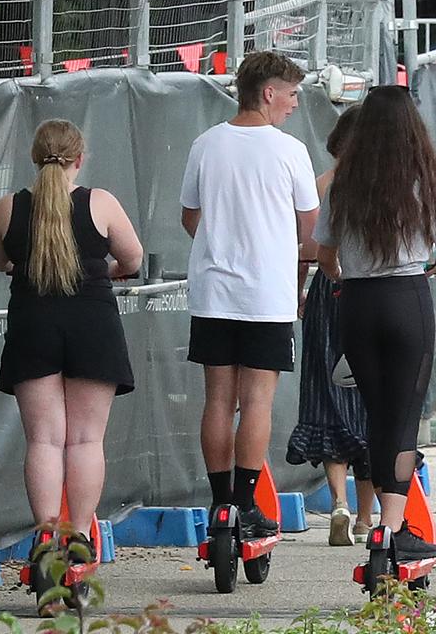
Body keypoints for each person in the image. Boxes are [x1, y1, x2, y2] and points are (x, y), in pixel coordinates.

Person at [315, 85, 436, 562]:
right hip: (406, 297)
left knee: (376, 412)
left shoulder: (345, 184)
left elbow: (325, 254)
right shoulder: (426, 181)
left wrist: (345, 275)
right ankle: (391, 527)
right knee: (404, 416)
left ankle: (382, 526)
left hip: (359, 303)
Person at [0, 119, 143, 561]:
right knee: (86, 441)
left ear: (35, 158)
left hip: (32, 322)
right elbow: (132, 258)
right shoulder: (101, 203)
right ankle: (79, 540)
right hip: (93, 320)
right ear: (80, 158)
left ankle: (46, 538)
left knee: (44, 440)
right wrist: (99, 271)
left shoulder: (9, 207)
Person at [181, 51, 319, 538]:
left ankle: (220, 505)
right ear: (268, 93)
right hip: (267, 293)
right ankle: (246, 502)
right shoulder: (289, 151)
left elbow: (190, 217)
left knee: (218, 399)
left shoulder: (205, 144)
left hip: (214, 290)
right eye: (292, 94)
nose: (295, 104)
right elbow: (308, 223)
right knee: (257, 400)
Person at [286, 105, 376, 546]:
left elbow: (309, 247)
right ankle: (365, 516)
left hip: (329, 291)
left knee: (327, 392)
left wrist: (301, 290)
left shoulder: (323, 184)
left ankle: (337, 501)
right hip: (374, 290)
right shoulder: (385, 184)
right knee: (373, 399)